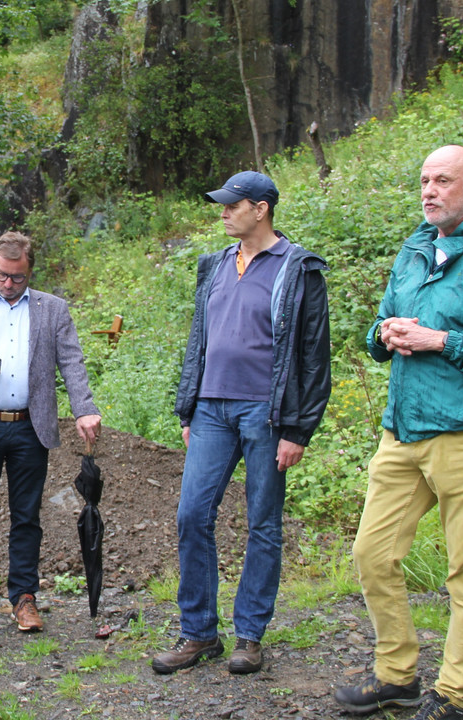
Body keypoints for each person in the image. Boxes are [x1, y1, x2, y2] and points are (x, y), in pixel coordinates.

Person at [334, 145, 463, 719]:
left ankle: (457, 696)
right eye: (425, 181)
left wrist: (442, 341)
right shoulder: (415, 248)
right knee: (372, 553)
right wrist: (385, 334)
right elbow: (376, 327)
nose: (429, 191)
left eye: (444, 181)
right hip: (402, 430)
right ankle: (396, 674)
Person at [152, 171, 331, 676]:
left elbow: (315, 357)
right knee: (192, 515)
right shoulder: (213, 265)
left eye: (233, 205)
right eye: (223, 205)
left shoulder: (299, 269)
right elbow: (198, 341)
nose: (223, 212)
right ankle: (199, 633)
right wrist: (188, 406)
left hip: (267, 413)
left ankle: (249, 635)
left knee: (263, 523)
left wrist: (299, 429)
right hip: (211, 408)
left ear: (261, 209)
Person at [0, 231, 102, 633]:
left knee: (27, 517)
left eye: (17, 278)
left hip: (31, 428)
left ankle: (24, 598)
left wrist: (84, 409)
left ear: (30, 271)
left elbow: (72, 361)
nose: (8, 284)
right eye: (0, 276)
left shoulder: (53, 309)